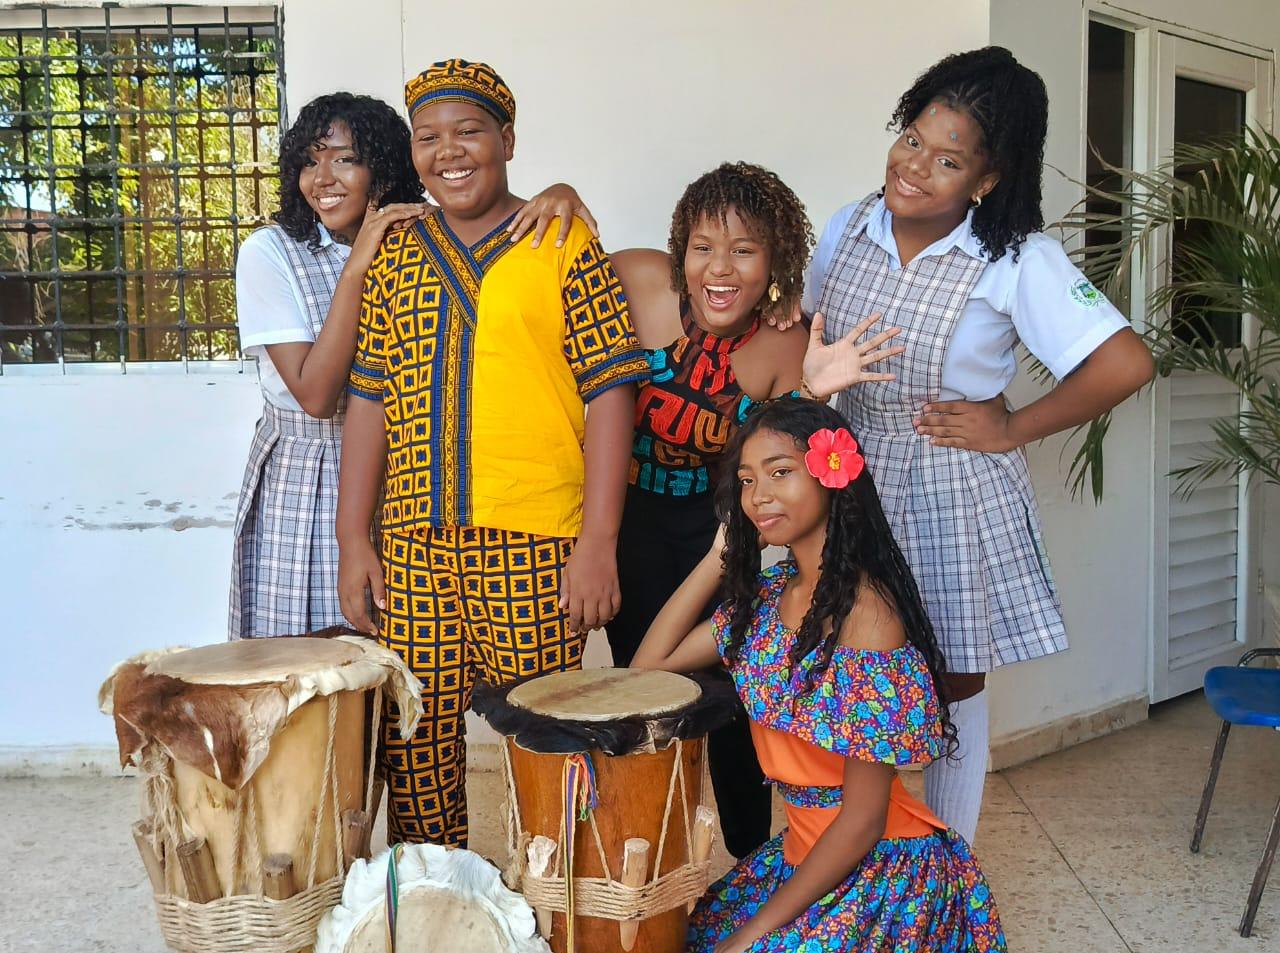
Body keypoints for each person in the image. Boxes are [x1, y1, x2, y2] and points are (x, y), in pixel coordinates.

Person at [801, 47, 1155, 841]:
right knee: (851, 669)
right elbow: (809, 335)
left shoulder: (1017, 259)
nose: (915, 167)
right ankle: (849, 859)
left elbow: (1127, 363)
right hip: (848, 472)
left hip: (949, 483)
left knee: (951, 681)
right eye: (912, 140)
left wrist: (1012, 426)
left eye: (948, 160)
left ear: (986, 179)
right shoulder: (848, 226)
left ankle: (949, 864)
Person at [335, 59, 649, 846]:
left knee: (549, 741)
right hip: (413, 546)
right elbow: (368, 397)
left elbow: (611, 393)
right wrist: (353, 540)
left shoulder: (562, 239)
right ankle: (440, 898)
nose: (449, 152)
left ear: (507, 139)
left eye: (468, 131)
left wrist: (599, 542)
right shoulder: (396, 252)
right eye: (428, 137)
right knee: (414, 743)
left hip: (536, 543)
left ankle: (554, 899)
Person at [633, 397, 1007, 953]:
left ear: (832, 475)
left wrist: (752, 933)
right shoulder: (767, 598)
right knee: (682, 943)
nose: (759, 495)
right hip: (803, 853)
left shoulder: (868, 617)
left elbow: (863, 821)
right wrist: (719, 557)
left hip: (881, 869)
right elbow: (648, 668)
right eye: (747, 480)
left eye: (780, 472)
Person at [607, 162, 901, 857]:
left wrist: (814, 391)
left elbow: (776, 457)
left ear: (774, 261)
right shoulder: (635, 280)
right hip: (626, 520)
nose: (720, 267)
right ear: (679, 249)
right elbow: (551, 271)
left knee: (730, 695)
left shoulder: (785, 344)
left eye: (745, 250)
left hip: (714, 526)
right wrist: (561, 196)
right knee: (639, 692)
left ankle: (749, 856)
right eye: (703, 247)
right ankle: (646, 856)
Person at [229, 92, 589, 640]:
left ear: (383, 167)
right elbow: (317, 395)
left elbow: (489, 222)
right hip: (306, 477)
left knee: (389, 664)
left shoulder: (414, 238)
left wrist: (561, 191)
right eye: (308, 161)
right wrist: (357, 266)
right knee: (306, 661)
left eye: (345, 159)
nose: (322, 178)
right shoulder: (271, 251)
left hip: (406, 480)